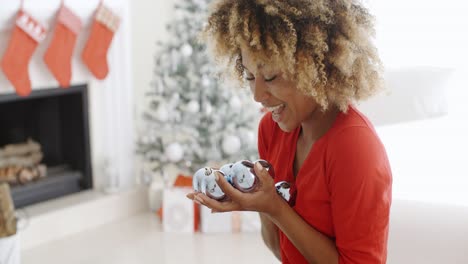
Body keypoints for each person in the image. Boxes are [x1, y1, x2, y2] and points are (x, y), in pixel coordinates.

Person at [187, 0, 392, 263]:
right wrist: (260, 201)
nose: (258, 96)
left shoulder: (356, 148)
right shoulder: (272, 129)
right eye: (250, 76)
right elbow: (281, 250)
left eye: (271, 77)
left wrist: (275, 207)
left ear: (317, 67)